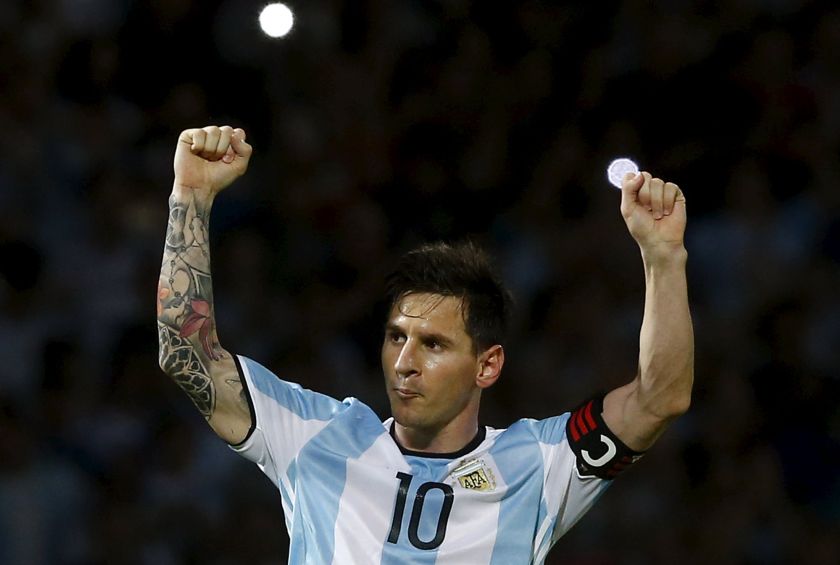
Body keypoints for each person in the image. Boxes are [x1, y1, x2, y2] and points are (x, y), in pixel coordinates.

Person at [157, 125, 693, 564]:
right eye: (396, 338)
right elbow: (187, 354)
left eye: (434, 345)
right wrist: (193, 195)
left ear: (488, 366)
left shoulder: (539, 464)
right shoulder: (315, 437)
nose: (405, 363)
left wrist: (664, 258)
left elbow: (659, 398)